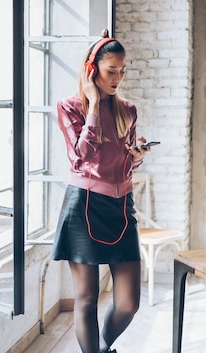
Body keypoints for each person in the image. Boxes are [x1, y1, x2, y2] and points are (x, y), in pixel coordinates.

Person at [51, 30, 154, 353]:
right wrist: (94, 104)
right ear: (91, 70)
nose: (118, 78)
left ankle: (104, 348)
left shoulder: (128, 110)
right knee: (86, 299)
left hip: (122, 208)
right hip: (83, 207)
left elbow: (122, 164)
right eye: (112, 71)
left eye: (122, 71)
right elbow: (82, 156)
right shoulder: (69, 107)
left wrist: (134, 158)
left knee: (128, 302)